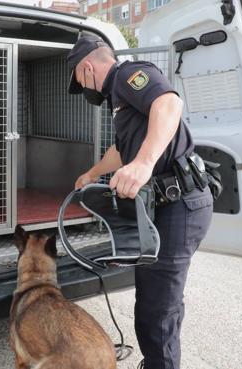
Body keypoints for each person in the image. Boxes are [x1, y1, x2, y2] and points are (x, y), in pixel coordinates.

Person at [67, 34, 214, 369]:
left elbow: (169, 103)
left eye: (80, 82)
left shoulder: (128, 75)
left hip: (180, 203)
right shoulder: (118, 98)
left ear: (87, 68)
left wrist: (144, 163)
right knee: (161, 300)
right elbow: (121, 151)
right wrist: (92, 174)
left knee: (155, 310)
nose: (84, 90)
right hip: (166, 207)